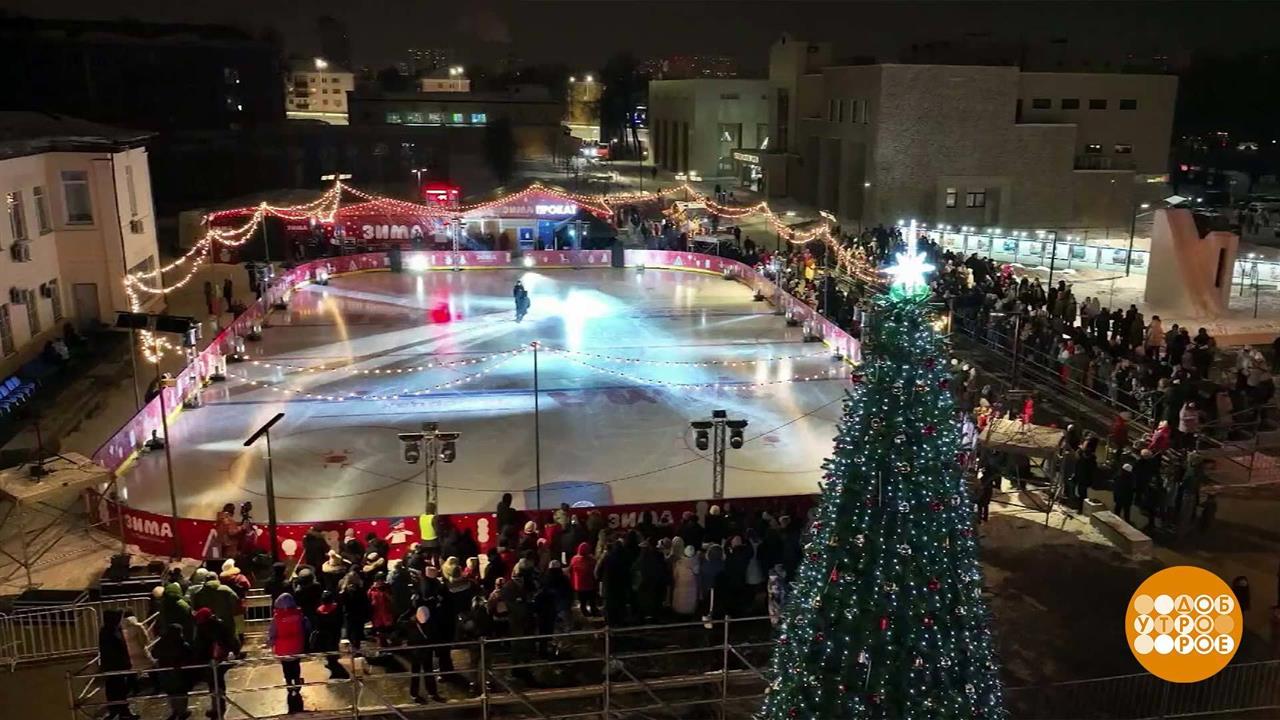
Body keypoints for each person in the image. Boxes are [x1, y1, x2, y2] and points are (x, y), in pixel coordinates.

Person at [192, 608, 239, 719]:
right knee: (219, 682)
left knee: (213, 684)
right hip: (221, 658)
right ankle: (220, 706)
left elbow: (199, 646)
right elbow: (230, 639)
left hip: (209, 660)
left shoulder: (202, 628)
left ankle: (217, 707)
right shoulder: (220, 624)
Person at [99, 610, 137, 720]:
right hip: (116, 666)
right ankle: (122, 712)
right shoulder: (111, 632)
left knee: (115, 689)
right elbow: (117, 650)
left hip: (114, 666)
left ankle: (117, 711)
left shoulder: (108, 630)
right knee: (118, 689)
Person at [150, 624, 194, 720]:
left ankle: (175, 710)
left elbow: (154, 654)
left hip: (165, 672)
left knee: (171, 692)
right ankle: (182, 711)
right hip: (179, 673)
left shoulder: (161, 643)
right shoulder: (182, 644)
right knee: (181, 692)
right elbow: (189, 656)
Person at [407, 606, 445, 703]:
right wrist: (436, 651)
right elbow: (434, 637)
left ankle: (415, 694)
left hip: (418, 652)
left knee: (419, 674)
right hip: (423, 651)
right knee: (426, 673)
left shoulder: (411, 623)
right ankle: (430, 693)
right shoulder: (430, 622)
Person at [120, 610, 154, 691]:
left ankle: (134, 689)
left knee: (132, 671)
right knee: (150, 667)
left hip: (129, 652)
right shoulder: (138, 626)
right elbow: (144, 640)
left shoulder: (122, 628)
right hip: (140, 650)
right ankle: (156, 686)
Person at [568, 542, 599, 617]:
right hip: (590, 584)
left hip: (579, 585)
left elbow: (570, 569)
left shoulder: (574, 559)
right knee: (592, 600)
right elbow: (595, 570)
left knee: (583, 601)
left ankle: (585, 612)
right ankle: (594, 611)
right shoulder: (591, 560)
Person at [671, 544, 700, 617]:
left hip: (680, 587)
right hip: (692, 589)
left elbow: (675, 576)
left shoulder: (679, 563)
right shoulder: (696, 563)